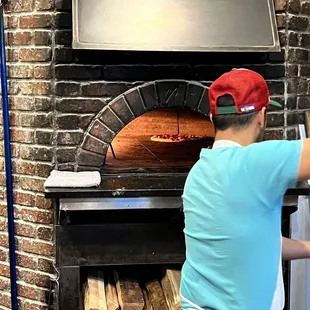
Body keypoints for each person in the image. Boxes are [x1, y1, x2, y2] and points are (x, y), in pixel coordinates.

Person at [180, 69, 310, 310]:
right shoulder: (256, 162)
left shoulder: (198, 171)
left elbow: (255, 240)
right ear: (261, 116)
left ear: (212, 118)